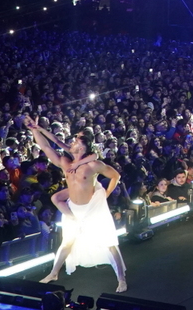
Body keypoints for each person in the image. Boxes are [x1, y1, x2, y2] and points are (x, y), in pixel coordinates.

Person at [23, 116, 127, 293]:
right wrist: (34, 130)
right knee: (67, 242)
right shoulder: (66, 162)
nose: (71, 143)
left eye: (76, 141)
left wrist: (105, 194)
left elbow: (115, 176)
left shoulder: (94, 165)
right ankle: (54, 273)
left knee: (109, 243)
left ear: (84, 147)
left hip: (93, 208)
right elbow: (47, 146)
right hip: (74, 208)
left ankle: (121, 279)